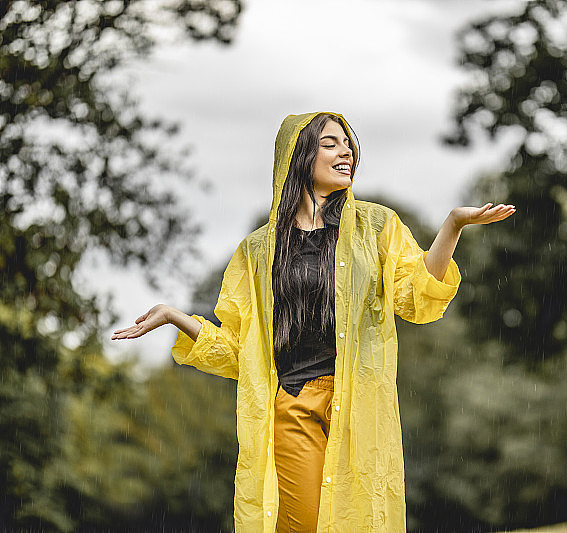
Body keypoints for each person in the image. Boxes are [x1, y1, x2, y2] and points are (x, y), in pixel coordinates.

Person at [112, 111, 515, 532]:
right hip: (295, 404)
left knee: (359, 520)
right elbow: (238, 350)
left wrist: (453, 225)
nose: (346, 151)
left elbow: (417, 297)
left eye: (347, 144)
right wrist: (176, 317)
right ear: (299, 156)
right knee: (300, 524)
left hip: (359, 405)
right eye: (330, 144)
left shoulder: (375, 227)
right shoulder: (258, 251)